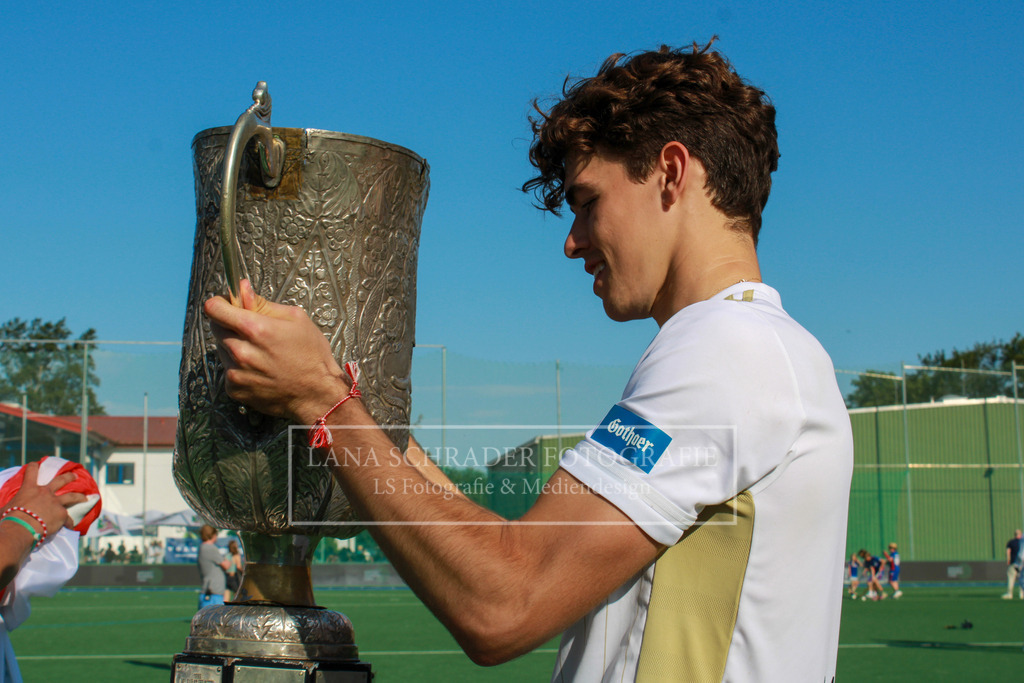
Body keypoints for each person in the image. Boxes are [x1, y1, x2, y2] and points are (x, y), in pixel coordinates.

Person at [205, 40, 853, 681]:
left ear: (672, 172)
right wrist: (373, 426)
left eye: (586, 201)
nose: (573, 243)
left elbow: (505, 599)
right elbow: (512, 554)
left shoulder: (729, 348)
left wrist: (324, 402)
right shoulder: (753, 350)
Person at [196, 525, 231, 610]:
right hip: (213, 593)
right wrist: (229, 559)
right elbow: (226, 565)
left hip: (210, 591)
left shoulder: (203, 547)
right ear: (213, 535)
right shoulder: (210, 548)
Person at [1003, 529, 1023, 599]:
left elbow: (1008, 552)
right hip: (1022, 563)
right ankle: (1022, 594)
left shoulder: (1011, 542)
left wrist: (1008, 560)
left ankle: (1009, 593)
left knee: (1011, 578)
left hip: (1013, 563)